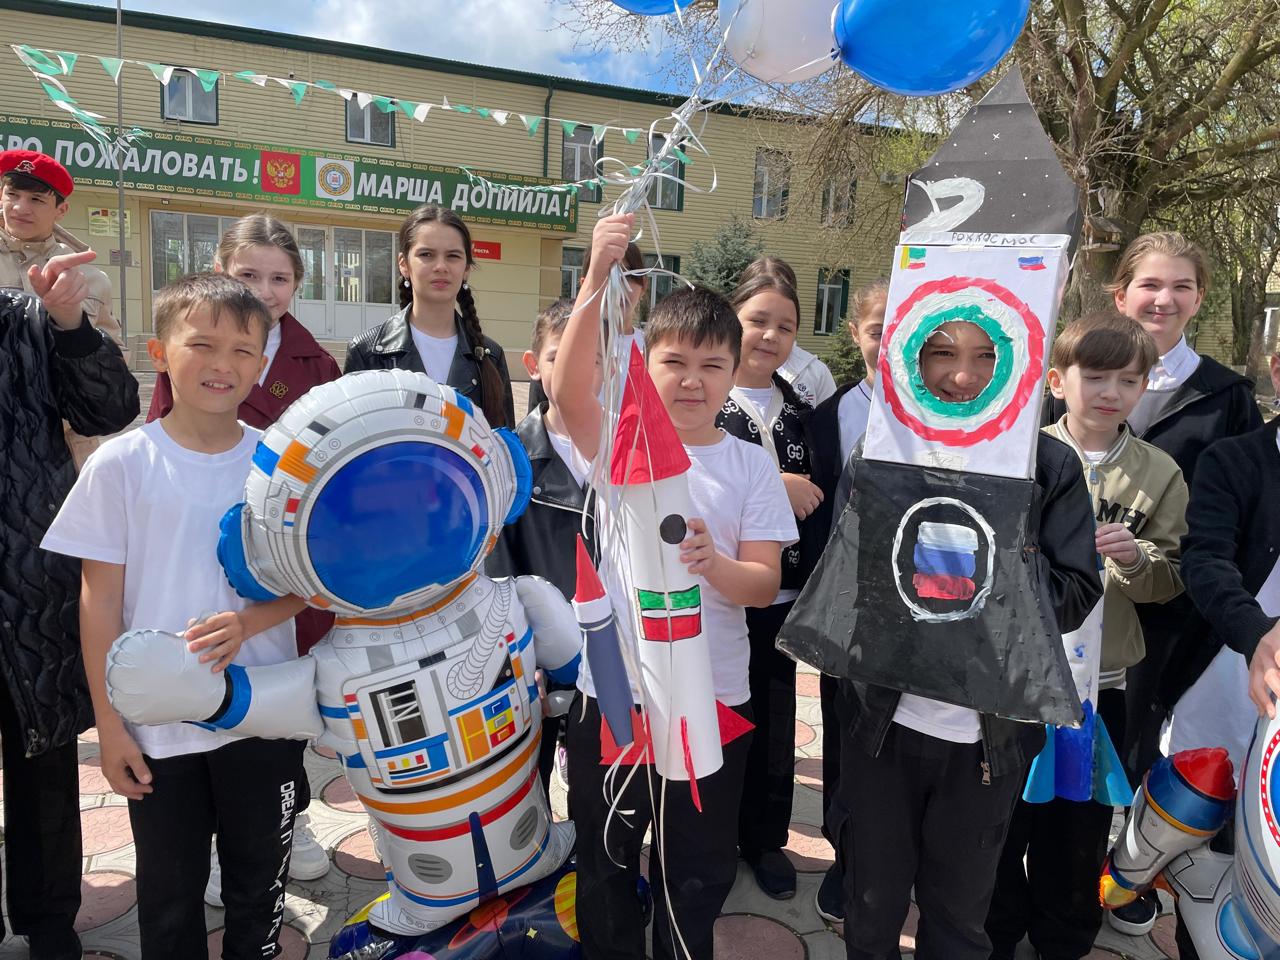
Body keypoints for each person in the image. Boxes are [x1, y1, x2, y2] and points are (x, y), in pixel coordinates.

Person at [42, 273, 310, 960]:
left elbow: (316, 584)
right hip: (158, 731)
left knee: (259, 887)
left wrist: (250, 624)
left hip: (263, 712)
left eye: (243, 350)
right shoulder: (121, 464)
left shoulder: (282, 465)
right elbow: (98, 601)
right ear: (160, 352)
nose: (223, 365)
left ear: (263, 362)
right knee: (169, 895)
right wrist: (110, 728)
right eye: (203, 345)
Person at [554, 212, 797, 960]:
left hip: (712, 694)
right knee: (606, 855)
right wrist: (597, 280)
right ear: (645, 363)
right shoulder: (617, 440)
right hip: (616, 695)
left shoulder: (749, 464)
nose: (692, 380)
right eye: (675, 362)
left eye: (712, 365)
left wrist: (712, 565)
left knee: (695, 864)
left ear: (733, 373)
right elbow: (568, 393)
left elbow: (763, 585)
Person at [835, 318, 1101, 960]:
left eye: (987, 355)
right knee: (871, 905)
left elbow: (1075, 592)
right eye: (943, 353)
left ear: (1023, 365)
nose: (963, 375)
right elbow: (842, 582)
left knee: (958, 917)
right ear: (912, 360)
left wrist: (998, 556)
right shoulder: (881, 455)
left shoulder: (1049, 466)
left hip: (987, 739)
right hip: (883, 727)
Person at [1041, 232, 1262, 934]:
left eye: (1181, 286)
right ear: (1122, 293)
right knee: (1030, 792)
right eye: (1150, 284)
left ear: (1198, 298)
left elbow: (1218, 524)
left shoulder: (1224, 394)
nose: (1164, 298)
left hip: (1154, 620)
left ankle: (1118, 883)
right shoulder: (1042, 435)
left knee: (1117, 770)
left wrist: (1145, 563)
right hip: (1046, 641)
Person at [146, 213, 340, 899]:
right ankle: (212, 842)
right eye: (248, 274)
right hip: (205, 548)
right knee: (206, 686)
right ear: (220, 272)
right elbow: (163, 430)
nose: (264, 289)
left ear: (297, 284)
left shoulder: (317, 363)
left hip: (284, 565)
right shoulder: (196, 343)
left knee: (282, 699)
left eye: (279, 277)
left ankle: (292, 819)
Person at [986, 311, 1188, 960]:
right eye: (1095, 376)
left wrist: (1137, 560)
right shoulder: (1017, 453)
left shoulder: (1159, 472)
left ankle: (1064, 936)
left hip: (1102, 686)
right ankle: (994, 930)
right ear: (1056, 380)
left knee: (1078, 824)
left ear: (1144, 387)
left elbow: (1172, 581)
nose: (1110, 392)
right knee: (1001, 816)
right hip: (1016, 679)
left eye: (1128, 380)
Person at [2, 251, 138, 960]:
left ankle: (50, 920)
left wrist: (68, 323)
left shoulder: (25, 322)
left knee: (44, 771)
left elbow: (112, 408)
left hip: (27, 585)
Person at [714, 257, 816, 900]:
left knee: (775, 724)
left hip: (784, 597)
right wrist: (774, 485)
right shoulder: (704, 399)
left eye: (786, 326)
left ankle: (765, 838)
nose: (770, 336)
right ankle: (712, 835)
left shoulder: (803, 410)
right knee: (721, 721)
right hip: (718, 594)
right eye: (758, 320)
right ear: (733, 318)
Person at [1175, 349, 1280, 960]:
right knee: (1206, 873)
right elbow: (1204, 559)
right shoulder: (1233, 460)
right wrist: (1256, 632)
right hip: (1221, 693)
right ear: (1277, 368)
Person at [488, 296, 601, 792]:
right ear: (533, 365)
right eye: (562, 356)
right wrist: (518, 654)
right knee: (524, 787)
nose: (580, 369)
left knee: (599, 792)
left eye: (594, 358)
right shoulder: (509, 460)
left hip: (608, 653)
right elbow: (497, 570)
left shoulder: (626, 452)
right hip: (535, 656)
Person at [802, 275, 887, 924]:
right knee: (845, 733)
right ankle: (847, 854)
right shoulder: (829, 417)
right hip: (846, 608)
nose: (891, 341)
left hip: (925, 608)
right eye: (879, 328)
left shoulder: (955, 414)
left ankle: (898, 857)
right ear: (856, 333)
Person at [0, 148, 123, 469]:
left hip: (64, 448)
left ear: (61, 209)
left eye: (36, 199)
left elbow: (111, 365)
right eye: (12, 194)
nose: (20, 207)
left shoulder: (90, 278)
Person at [345, 204, 514, 428]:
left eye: (453, 256)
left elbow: (503, 442)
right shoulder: (368, 352)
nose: (441, 266)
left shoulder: (490, 356)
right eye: (426, 255)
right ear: (404, 264)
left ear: (466, 269)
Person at [527, 240, 646, 411]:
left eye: (628, 276)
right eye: (607, 275)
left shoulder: (654, 350)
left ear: (643, 285)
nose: (618, 287)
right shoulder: (566, 340)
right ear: (586, 285)